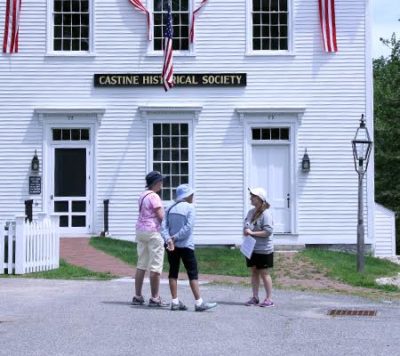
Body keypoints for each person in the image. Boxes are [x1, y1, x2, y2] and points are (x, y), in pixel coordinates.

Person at [161, 184, 217, 312]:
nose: (193, 197)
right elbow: (188, 228)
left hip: (172, 246)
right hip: (186, 245)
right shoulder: (190, 208)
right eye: (192, 195)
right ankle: (198, 302)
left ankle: (175, 302)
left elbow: (163, 227)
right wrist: (175, 237)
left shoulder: (169, 208)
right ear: (187, 196)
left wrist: (169, 239)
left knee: (173, 272)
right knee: (192, 273)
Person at [132, 171, 168, 307]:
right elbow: (161, 216)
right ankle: (155, 298)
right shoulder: (154, 197)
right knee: (155, 266)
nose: (162, 184)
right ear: (155, 183)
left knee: (141, 264)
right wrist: (168, 231)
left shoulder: (142, 195)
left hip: (141, 231)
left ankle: (138, 296)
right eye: (160, 181)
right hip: (153, 232)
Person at [243, 187, 274, 307]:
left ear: (260, 199)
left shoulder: (266, 214)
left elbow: (268, 231)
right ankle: (255, 297)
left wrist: (252, 233)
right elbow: (246, 225)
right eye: (251, 196)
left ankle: (269, 299)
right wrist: (246, 230)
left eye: (253, 196)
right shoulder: (251, 212)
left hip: (263, 249)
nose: (251, 198)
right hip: (251, 248)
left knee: (264, 273)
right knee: (254, 272)